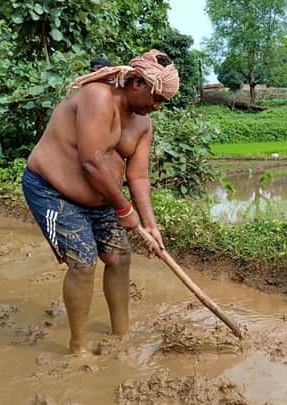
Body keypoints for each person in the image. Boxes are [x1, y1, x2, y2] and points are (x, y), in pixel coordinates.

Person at [22, 49, 179, 354]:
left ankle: (121, 334)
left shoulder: (143, 125)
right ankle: (78, 346)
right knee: (83, 261)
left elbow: (138, 177)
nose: (158, 107)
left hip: (102, 197)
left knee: (120, 257)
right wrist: (124, 209)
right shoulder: (97, 97)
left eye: (163, 103)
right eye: (157, 99)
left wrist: (150, 225)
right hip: (52, 191)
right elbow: (91, 162)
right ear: (137, 84)